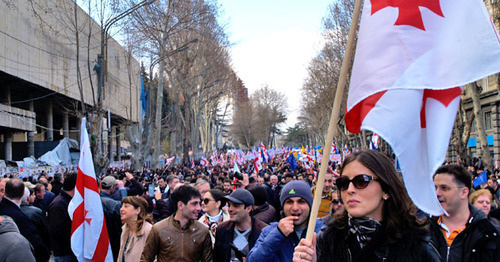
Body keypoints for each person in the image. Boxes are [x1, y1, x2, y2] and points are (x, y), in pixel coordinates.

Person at [293, 149, 440, 262]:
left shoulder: (416, 246)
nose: (350, 190)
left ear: (386, 190)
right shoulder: (327, 239)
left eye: (361, 181)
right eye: (343, 183)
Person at [429, 164, 500, 262]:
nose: (437, 193)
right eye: (435, 188)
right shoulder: (422, 232)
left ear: (464, 192)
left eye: (444, 188)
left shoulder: (490, 234)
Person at [247, 180, 324, 262]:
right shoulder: (269, 232)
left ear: (310, 206)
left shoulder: (323, 232)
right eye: (289, 202)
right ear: (282, 207)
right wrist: (278, 234)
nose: (295, 208)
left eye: (301, 202)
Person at [141, 185, 212, 261]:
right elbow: (146, 259)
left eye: (199, 203)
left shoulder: (202, 231)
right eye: (194, 204)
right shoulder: (159, 229)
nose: (199, 208)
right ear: (180, 205)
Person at [0, 178, 50, 262]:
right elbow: (35, 243)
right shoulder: (20, 217)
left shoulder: (4, 208)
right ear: (23, 193)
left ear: (5, 192)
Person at [213, 188, 268, 262]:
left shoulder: (263, 232)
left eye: (236, 205)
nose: (230, 209)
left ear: (248, 208)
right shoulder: (222, 229)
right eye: (229, 205)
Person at [48, 172, 78, 262]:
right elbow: (58, 232)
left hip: (69, 252)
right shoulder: (58, 205)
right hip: (64, 253)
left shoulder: (68, 201)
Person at [117, 196, 153, 262]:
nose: (121, 209)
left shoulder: (148, 230)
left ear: (138, 210)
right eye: (121, 206)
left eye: (126, 206)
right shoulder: (125, 230)